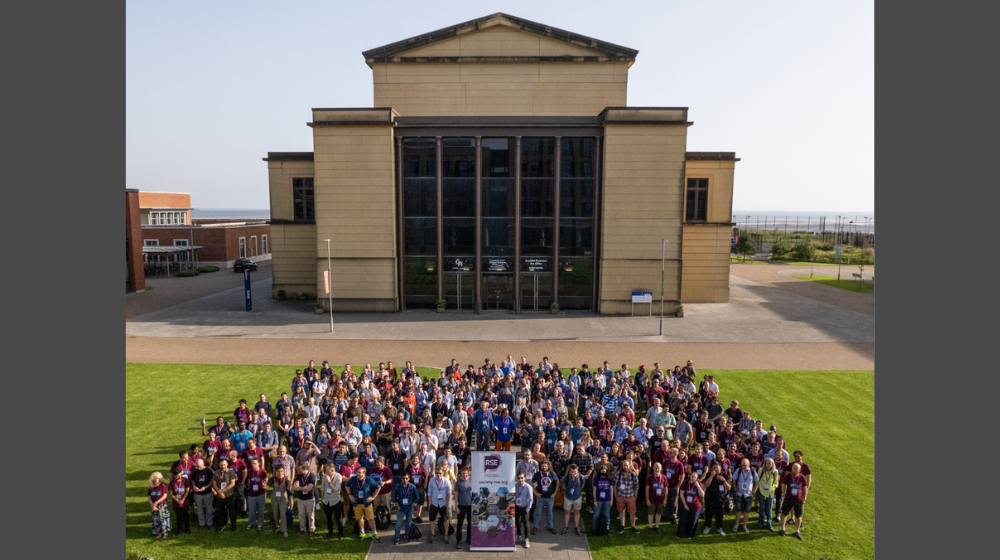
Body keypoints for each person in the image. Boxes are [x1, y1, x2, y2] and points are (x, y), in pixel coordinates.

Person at [347, 466, 383, 542]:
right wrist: (349, 495)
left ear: (364, 473)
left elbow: (378, 486)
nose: (358, 474)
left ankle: (374, 533)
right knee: (359, 518)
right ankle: (362, 532)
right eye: (357, 472)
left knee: (371, 518)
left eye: (360, 473)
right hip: (356, 503)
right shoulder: (353, 479)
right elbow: (347, 485)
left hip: (367, 503)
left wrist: (373, 497)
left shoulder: (368, 479)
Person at [779, 463, 808, 540]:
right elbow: (783, 485)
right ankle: (782, 529)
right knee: (784, 513)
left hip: (798, 500)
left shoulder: (802, 478)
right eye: (793, 469)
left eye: (796, 469)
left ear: (799, 470)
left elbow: (805, 487)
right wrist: (783, 494)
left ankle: (797, 531)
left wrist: (804, 497)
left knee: (798, 515)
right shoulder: (787, 476)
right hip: (788, 498)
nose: (793, 470)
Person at [701, 464, 730, 536]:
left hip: (720, 498)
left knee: (719, 513)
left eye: (717, 467)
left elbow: (729, 488)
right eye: (714, 468)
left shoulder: (725, 475)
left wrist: (723, 480)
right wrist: (711, 476)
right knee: (708, 512)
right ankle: (708, 526)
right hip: (709, 497)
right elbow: (706, 485)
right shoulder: (708, 474)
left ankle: (719, 527)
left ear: (720, 468)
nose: (715, 469)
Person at [613, 457, 640, 535]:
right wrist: (616, 495)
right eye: (624, 465)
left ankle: (633, 526)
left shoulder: (633, 474)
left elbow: (636, 486)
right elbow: (615, 484)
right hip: (620, 496)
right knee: (621, 511)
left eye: (626, 465)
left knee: (632, 512)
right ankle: (622, 526)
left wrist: (635, 496)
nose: (625, 467)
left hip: (630, 496)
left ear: (629, 465)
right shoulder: (619, 473)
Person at [732, 458, 759, 534]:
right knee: (738, 510)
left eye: (745, 465)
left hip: (748, 495)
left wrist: (753, 492)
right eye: (742, 465)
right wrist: (735, 490)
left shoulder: (753, 472)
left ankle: (745, 526)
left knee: (746, 511)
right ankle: (736, 524)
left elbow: (757, 482)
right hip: (740, 494)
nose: (743, 467)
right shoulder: (738, 470)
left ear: (749, 465)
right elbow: (733, 480)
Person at [532, 460, 559, 535]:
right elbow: (531, 482)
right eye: (543, 466)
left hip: (550, 497)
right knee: (537, 512)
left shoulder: (552, 473)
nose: (544, 467)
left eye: (546, 466)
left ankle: (550, 527)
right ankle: (535, 527)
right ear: (540, 466)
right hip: (540, 497)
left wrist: (555, 493)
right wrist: (535, 492)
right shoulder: (537, 474)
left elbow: (557, 482)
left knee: (549, 513)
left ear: (548, 466)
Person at [320, 461, 345, 540]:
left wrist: (329, 481)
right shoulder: (324, 476)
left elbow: (335, 489)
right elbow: (322, 489)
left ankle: (340, 532)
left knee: (338, 517)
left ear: (332, 470)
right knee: (328, 517)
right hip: (326, 500)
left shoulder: (338, 477)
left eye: (327, 470)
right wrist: (322, 499)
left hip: (335, 500)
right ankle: (330, 531)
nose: (326, 472)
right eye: (326, 470)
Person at [427, 467, 452, 544]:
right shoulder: (432, 480)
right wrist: (429, 502)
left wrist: (447, 503)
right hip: (434, 503)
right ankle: (432, 534)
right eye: (437, 473)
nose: (438, 474)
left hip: (443, 503)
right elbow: (429, 492)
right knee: (432, 519)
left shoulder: (446, 481)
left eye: (440, 473)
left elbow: (448, 493)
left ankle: (446, 534)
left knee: (446, 519)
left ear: (443, 473)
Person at [393, 472, 419, 545]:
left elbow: (417, 496)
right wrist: (398, 506)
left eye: (406, 478)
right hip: (401, 508)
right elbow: (394, 498)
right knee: (398, 523)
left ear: (409, 479)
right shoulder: (397, 487)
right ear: (401, 479)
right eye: (403, 478)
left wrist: (414, 504)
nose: (405, 480)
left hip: (409, 508)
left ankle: (406, 534)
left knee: (408, 522)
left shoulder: (412, 487)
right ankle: (397, 536)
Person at [213, 459, 238, 533]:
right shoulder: (216, 473)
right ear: (219, 465)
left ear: (227, 464)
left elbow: (232, 483)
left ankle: (233, 525)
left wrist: (223, 491)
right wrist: (219, 492)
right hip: (219, 496)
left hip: (229, 495)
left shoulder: (231, 472)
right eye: (221, 465)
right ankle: (221, 525)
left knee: (232, 511)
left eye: (224, 464)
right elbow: (214, 484)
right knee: (220, 511)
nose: (222, 466)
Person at [292, 463, 317, 536]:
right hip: (300, 499)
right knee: (301, 514)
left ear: (305, 469)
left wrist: (300, 488)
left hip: (309, 499)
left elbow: (309, 488)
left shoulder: (312, 476)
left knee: (310, 515)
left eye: (300, 469)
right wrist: (304, 488)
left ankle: (311, 529)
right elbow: (294, 487)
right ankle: (302, 528)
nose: (298, 470)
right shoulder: (299, 476)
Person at [677, 474, 704, 539]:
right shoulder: (685, 482)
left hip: (695, 506)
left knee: (693, 521)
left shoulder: (699, 484)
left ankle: (690, 534)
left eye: (694, 477)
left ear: (697, 478)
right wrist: (685, 505)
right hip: (685, 504)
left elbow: (702, 495)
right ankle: (681, 534)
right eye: (692, 476)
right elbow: (681, 494)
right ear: (689, 476)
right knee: (683, 520)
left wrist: (698, 486)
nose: (693, 478)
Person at [245, 458, 269, 531]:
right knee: (252, 510)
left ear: (258, 463)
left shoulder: (263, 471)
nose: (253, 465)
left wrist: (264, 484)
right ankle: (251, 523)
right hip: (251, 494)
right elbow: (248, 480)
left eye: (255, 463)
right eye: (252, 463)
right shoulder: (249, 471)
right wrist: (249, 486)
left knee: (260, 510)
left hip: (261, 493)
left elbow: (266, 479)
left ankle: (260, 523)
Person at [561, 464, 585, 536]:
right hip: (568, 496)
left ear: (577, 471)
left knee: (577, 512)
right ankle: (566, 527)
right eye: (571, 471)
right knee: (567, 512)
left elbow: (582, 485)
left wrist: (577, 491)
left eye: (574, 471)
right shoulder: (567, 477)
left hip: (577, 496)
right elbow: (563, 484)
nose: (573, 473)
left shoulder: (581, 477)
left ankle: (576, 527)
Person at [191, 459, 215, 530]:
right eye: (197, 466)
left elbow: (212, 481)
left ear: (203, 464)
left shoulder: (208, 471)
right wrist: (194, 486)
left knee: (209, 509)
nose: (198, 468)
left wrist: (206, 487)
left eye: (200, 466)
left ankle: (209, 523)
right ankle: (201, 524)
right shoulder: (195, 472)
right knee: (199, 509)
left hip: (207, 493)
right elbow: (192, 480)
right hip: (198, 494)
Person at [757, 458, 779, 532]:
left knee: (769, 509)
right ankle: (760, 524)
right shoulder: (761, 470)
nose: (768, 465)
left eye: (770, 463)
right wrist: (759, 488)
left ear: (772, 464)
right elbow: (757, 480)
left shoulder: (775, 472)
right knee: (762, 508)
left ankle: (769, 525)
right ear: (765, 464)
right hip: (762, 491)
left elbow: (776, 481)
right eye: (767, 463)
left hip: (770, 492)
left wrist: (775, 487)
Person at [645, 462, 668, 533]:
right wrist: (647, 499)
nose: (657, 469)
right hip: (652, 499)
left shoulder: (664, 477)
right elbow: (647, 489)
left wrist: (665, 500)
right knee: (651, 513)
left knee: (659, 513)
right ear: (653, 468)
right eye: (655, 467)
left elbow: (666, 489)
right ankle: (650, 527)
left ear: (661, 469)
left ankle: (657, 526)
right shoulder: (649, 477)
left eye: (658, 467)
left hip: (661, 499)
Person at [513, 471, 534, 549]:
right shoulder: (514, 485)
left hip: (525, 508)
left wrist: (528, 509)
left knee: (526, 524)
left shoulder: (528, 487)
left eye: (522, 478)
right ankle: (519, 534)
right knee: (517, 523)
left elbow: (531, 499)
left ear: (525, 478)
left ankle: (526, 539)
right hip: (517, 507)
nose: (520, 479)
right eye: (518, 478)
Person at [454, 468, 473, 549]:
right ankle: (458, 540)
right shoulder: (458, 481)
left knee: (470, 523)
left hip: (470, 506)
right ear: (460, 474)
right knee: (459, 524)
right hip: (461, 505)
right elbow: (456, 494)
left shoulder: (472, 479)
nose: (465, 475)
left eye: (466, 473)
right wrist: (456, 505)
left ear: (468, 473)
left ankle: (468, 539)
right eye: (463, 474)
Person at [592, 464, 613, 536]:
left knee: (607, 515)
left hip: (607, 499)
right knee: (596, 514)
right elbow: (594, 489)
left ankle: (607, 529)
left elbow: (611, 489)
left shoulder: (609, 478)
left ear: (607, 471)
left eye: (605, 470)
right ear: (599, 471)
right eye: (602, 469)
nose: (603, 471)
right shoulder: (596, 478)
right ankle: (595, 528)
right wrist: (594, 500)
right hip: (598, 499)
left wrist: (611, 500)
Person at [148, 472, 171, 539]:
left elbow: (165, 496)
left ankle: (165, 532)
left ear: (160, 478)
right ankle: (158, 532)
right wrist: (152, 504)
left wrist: (157, 502)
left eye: (157, 478)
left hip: (161, 505)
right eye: (154, 478)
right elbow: (149, 496)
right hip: (153, 506)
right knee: (155, 519)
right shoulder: (151, 486)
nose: (155, 480)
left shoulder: (163, 485)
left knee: (163, 519)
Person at [271, 464, 291, 537]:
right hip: (274, 497)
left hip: (283, 498)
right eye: (279, 471)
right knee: (276, 513)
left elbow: (289, 489)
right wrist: (263, 484)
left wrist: (289, 482)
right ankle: (278, 526)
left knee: (283, 514)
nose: (280, 473)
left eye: (282, 471)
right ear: (276, 471)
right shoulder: (273, 479)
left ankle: (284, 530)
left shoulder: (285, 479)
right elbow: (266, 486)